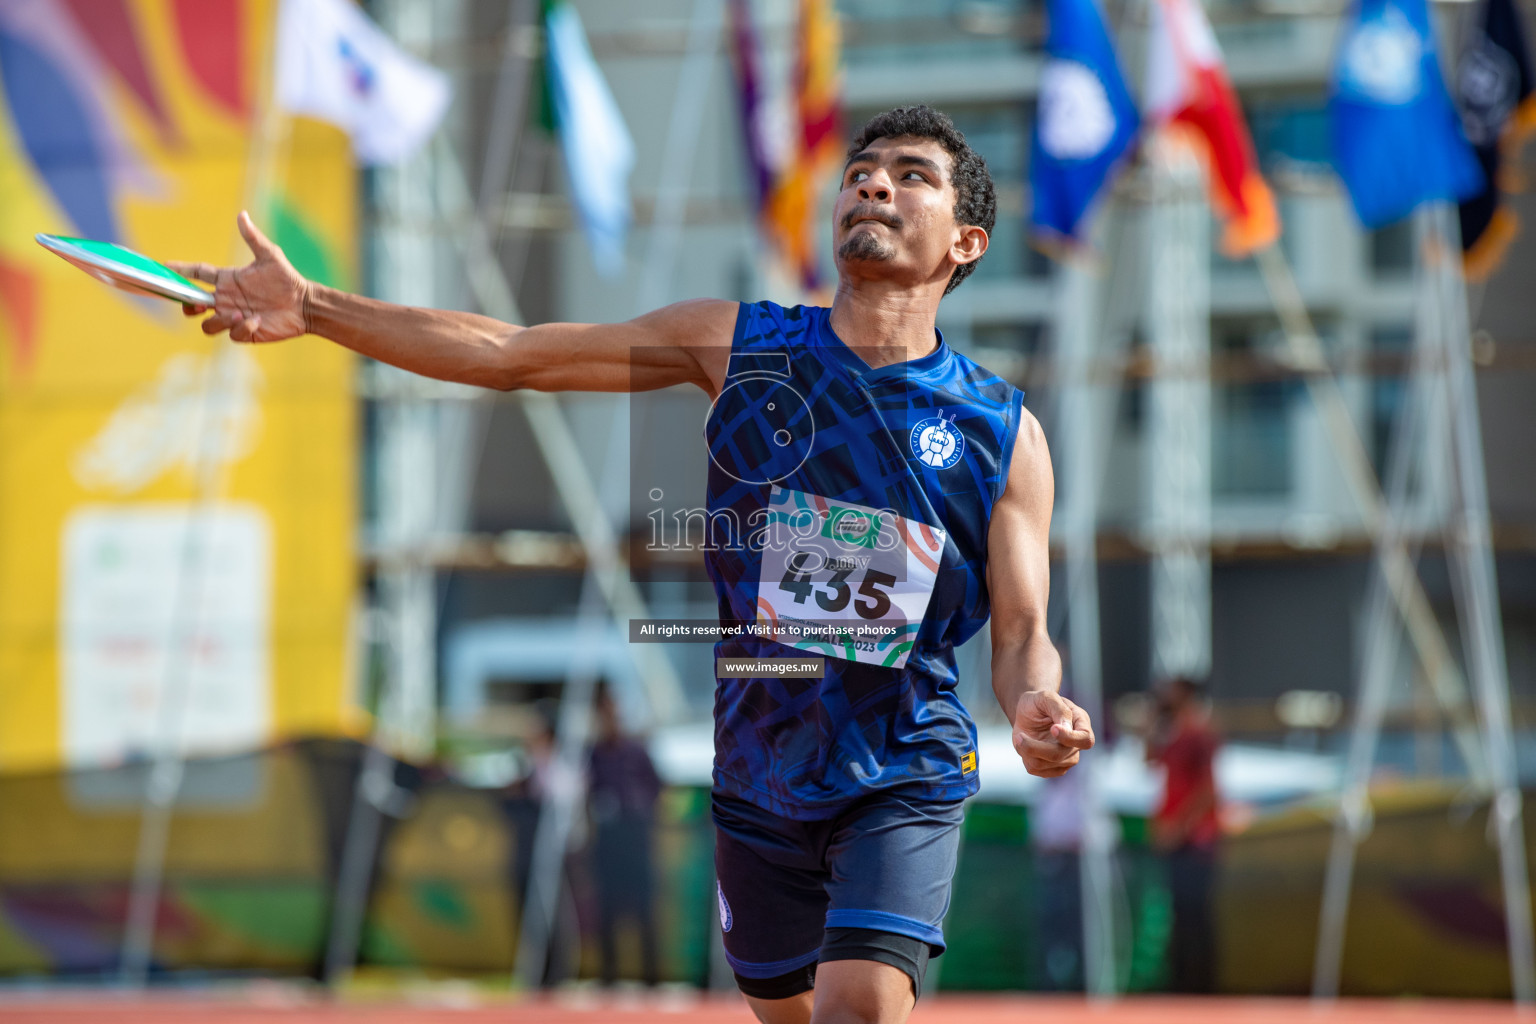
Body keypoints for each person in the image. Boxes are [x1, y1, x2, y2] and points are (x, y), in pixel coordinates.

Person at [172, 104, 1094, 1024]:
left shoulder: (1002, 432)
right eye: (861, 170)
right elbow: (513, 357)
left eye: (910, 174)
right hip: (759, 766)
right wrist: (314, 307)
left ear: (966, 243)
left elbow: (1020, 632)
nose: (873, 182)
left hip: (904, 765)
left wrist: (1033, 703)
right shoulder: (738, 343)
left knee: (857, 1009)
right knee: (787, 1013)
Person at [1145, 675, 1221, 994]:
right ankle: (1183, 983)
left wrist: (1179, 827)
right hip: (1180, 839)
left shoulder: (1199, 733)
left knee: (1195, 914)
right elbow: (1148, 759)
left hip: (1196, 841)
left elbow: (1208, 790)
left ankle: (1199, 986)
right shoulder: (1175, 733)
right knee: (1181, 912)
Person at [587, 685, 664, 987]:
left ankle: (652, 977)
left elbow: (657, 787)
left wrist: (638, 810)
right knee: (607, 911)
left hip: (635, 838)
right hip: (607, 843)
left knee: (644, 911)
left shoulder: (635, 751)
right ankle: (608, 975)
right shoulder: (593, 753)